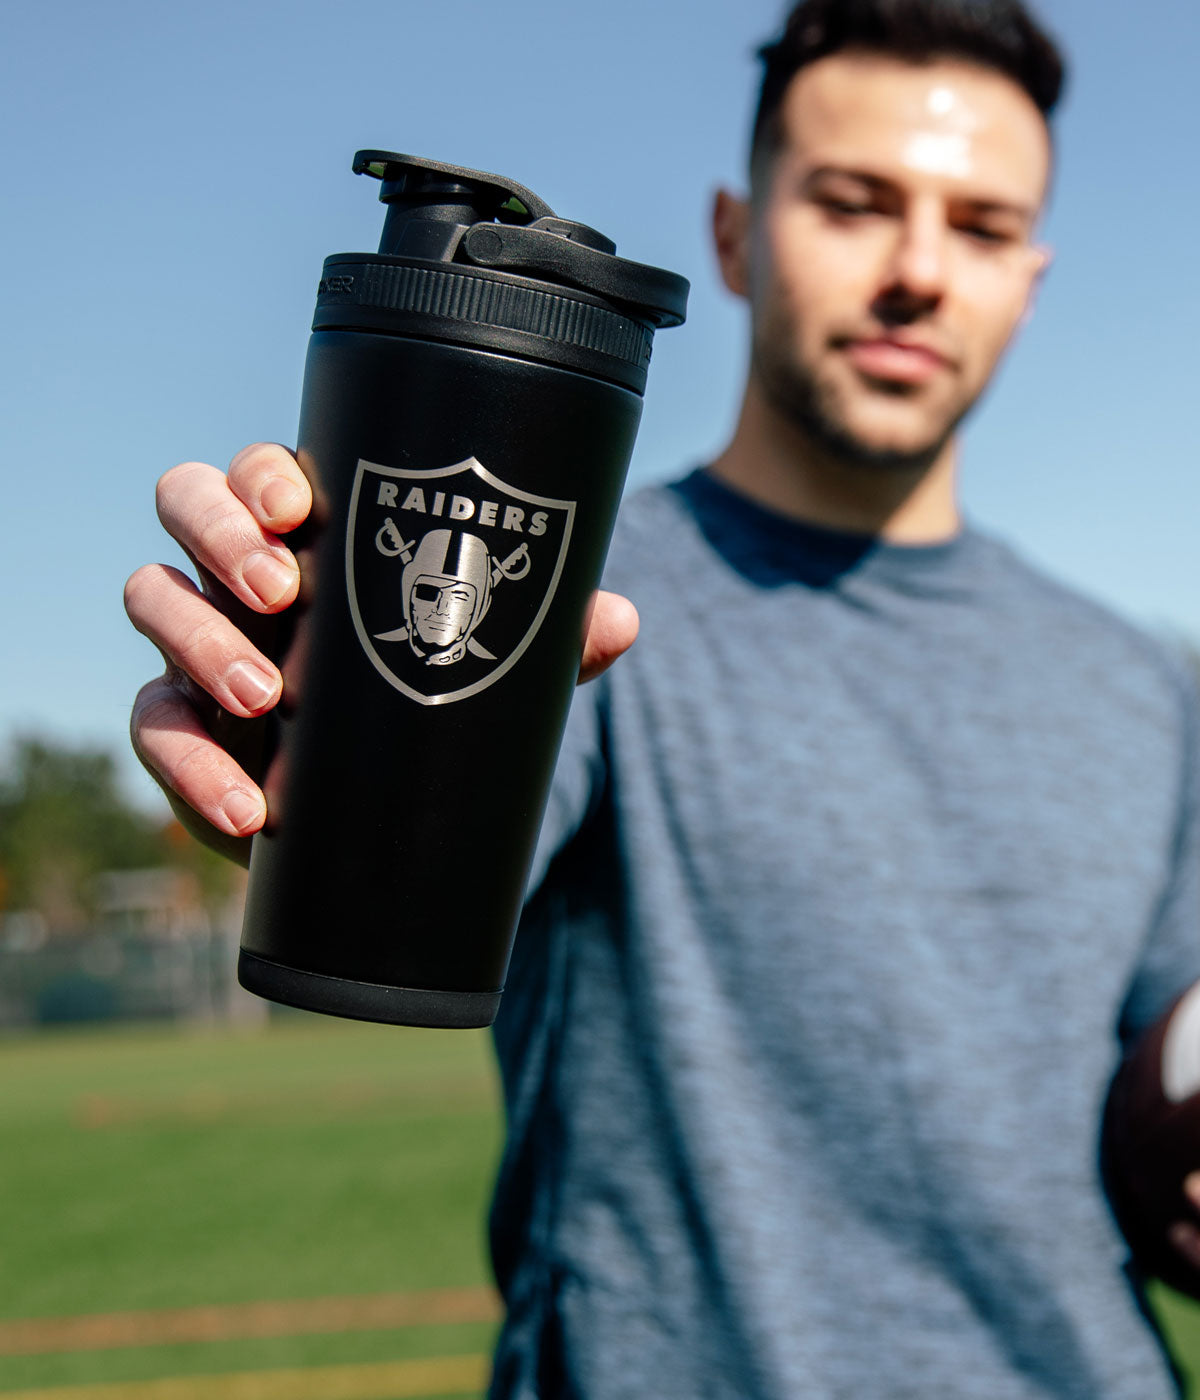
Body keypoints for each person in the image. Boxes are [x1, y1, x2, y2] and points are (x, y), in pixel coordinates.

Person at [124, 1, 1200, 1395]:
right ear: (738, 236)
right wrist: (290, 719)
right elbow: (405, 813)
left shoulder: (1147, 689)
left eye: (982, 227)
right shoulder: (576, 599)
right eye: (856, 203)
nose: (920, 271)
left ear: (1031, 281)